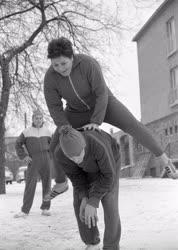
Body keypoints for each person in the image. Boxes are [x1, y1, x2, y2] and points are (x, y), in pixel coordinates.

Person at [44, 36, 178, 182]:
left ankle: (165, 161)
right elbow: (54, 107)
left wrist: (96, 121)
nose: (60, 68)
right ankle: (61, 181)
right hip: (76, 111)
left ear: (72, 57)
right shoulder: (50, 77)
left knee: (133, 125)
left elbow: (101, 93)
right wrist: (66, 128)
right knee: (55, 143)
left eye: (63, 63)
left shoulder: (88, 64)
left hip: (105, 104)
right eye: (55, 65)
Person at [55, 126, 121, 250]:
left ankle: (111, 246)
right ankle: (92, 242)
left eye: (79, 154)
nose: (77, 160)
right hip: (85, 170)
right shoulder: (60, 155)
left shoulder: (97, 144)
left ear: (84, 145)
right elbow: (77, 179)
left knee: (109, 201)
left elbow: (108, 176)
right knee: (79, 203)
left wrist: (94, 201)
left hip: (110, 162)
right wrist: (85, 198)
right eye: (72, 157)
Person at [14, 109, 57, 218]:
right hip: (33, 160)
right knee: (30, 185)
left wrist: (50, 155)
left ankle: (45, 208)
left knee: (47, 184)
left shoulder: (48, 131)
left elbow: (53, 145)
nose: (38, 120)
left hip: (46, 160)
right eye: (36, 118)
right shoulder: (27, 132)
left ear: (42, 119)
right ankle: (25, 210)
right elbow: (18, 143)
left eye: (40, 118)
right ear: (32, 119)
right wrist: (24, 156)